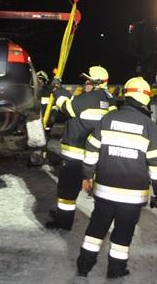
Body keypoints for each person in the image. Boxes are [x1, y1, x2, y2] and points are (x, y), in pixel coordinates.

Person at [76, 77, 157, 278]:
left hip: (105, 191)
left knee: (96, 229)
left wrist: (87, 176)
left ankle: (84, 266)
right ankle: (116, 270)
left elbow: (91, 149)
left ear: (126, 95)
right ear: (145, 99)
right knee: (123, 234)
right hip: (132, 196)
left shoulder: (108, 119)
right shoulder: (149, 126)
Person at [46, 65, 116, 230]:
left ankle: (63, 222)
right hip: (94, 156)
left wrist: (57, 90)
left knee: (67, 192)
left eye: (88, 81)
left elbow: (67, 107)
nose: (85, 83)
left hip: (76, 156)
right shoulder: (108, 99)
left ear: (97, 83)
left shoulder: (89, 98)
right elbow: (78, 104)